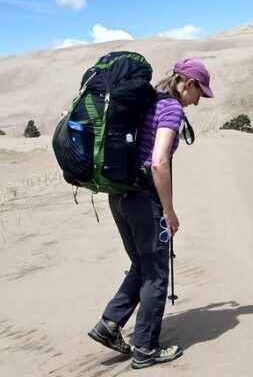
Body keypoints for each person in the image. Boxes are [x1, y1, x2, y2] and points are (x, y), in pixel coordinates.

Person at [88, 57, 214, 369]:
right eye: (200, 93)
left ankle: (110, 323)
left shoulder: (147, 102)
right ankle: (145, 348)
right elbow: (159, 162)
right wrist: (169, 211)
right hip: (144, 200)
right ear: (188, 83)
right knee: (156, 272)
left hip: (119, 196)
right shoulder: (171, 108)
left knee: (141, 265)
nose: (199, 101)